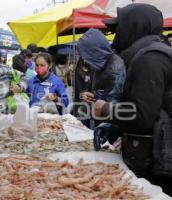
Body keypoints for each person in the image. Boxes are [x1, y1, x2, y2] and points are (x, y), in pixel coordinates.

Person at [94, 4, 172, 195]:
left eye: (118, 28)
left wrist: (107, 110)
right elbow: (151, 106)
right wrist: (115, 127)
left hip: (158, 160)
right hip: (153, 153)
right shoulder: (145, 55)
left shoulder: (150, 59)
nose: (116, 36)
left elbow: (142, 115)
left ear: (134, 26)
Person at [74, 28, 125, 128]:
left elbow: (113, 102)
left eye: (86, 54)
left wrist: (97, 99)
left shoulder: (114, 68)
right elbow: (100, 90)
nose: (85, 59)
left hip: (110, 124)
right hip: (99, 116)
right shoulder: (99, 63)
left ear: (94, 50)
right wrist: (91, 96)